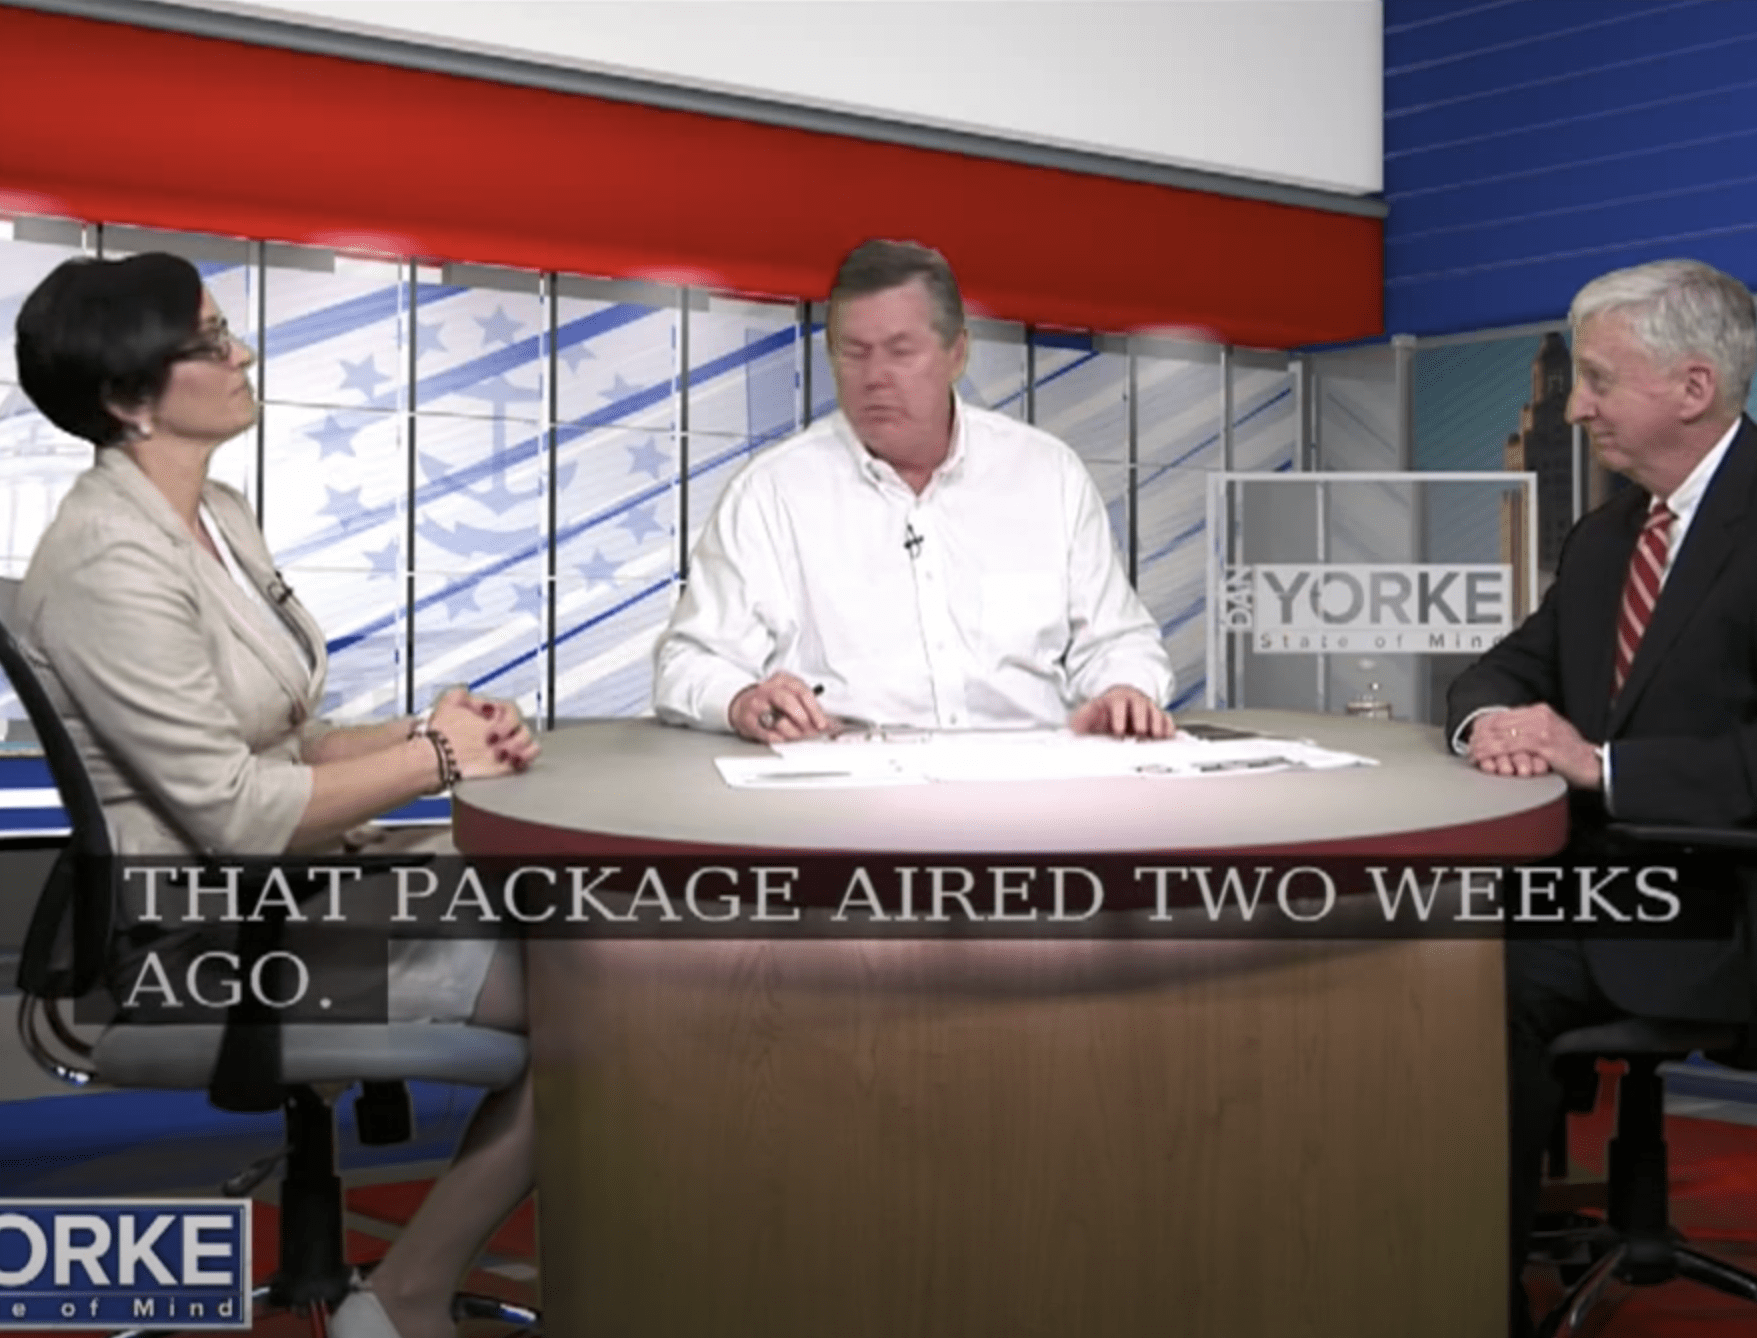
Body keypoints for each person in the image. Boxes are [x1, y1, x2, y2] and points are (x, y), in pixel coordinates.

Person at [11, 252, 540, 1338]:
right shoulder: (109, 560)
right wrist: (437, 763)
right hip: (203, 936)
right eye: (207, 343)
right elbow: (238, 813)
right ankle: (404, 1298)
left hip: (284, 897)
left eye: (226, 329)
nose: (241, 351)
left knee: (594, 927)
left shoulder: (218, 514)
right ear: (124, 397)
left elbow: (288, 737)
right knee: (617, 1011)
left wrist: (433, 729)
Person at [1441, 258, 1757, 1336]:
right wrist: (1497, 727)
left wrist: (1600, 768)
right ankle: (1421, 1233)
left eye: (1600, 380)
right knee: (1419, 927)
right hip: (1625, 875)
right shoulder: (1614, 534)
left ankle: (1467, 1287)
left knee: (1476, 973)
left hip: (1740, 902)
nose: (1576, 405)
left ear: (1692, 388)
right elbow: (1508, 666)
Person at [653, 238, 1176, 743]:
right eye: (853, 353)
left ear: (957, 353)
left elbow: (1119, 641)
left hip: (1028, 795)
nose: (875, 377)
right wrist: (742, 698)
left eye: (900, 352)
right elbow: (689, 664)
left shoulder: (1048, 476)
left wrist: (1125, 690)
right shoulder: (771, 494)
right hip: (845, 799)